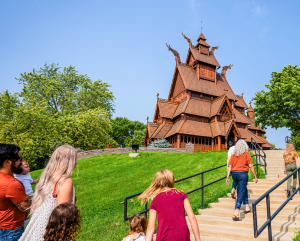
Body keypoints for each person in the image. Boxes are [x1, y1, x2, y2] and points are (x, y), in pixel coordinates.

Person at [19, 145, 78, 241]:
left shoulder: (47, 179)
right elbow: (63, 214)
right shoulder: (65, 181)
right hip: (53, 230)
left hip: (39, 226)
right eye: (75, 159)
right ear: (69, 162)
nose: (76, 163)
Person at [138, 170, 201, 241]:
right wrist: (198, 239)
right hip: (182, 235)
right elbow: (192, 217)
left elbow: (151, 228)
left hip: (164, 236)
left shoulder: (155, 201)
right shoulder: (181, 195)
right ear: (171, 180)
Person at [0, 144, 31, 241]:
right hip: (12, 231)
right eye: (19, 158)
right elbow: (26, 208)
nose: (21, 161)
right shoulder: (12, 184)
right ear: (8, 162)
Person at [226, 139, 258, 221]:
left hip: (234, 175)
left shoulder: (233, 155)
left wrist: (227, 177)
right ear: (245, 146)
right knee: (240, 193)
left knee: (243, 189)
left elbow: (229, 167)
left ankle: (247, 207)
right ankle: (236, 212)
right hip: (242, 175)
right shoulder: (246, 154)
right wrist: (255, 176)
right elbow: (251, 166)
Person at [13, 160, 39, 226]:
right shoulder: (15, 176)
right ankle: (23, 224)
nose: (29, 168)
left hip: (30, 195)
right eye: (26, 167)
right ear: (19, 169)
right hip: (23, 197)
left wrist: (39, 180)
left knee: (31, 211)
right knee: (25, 212)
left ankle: (31, 222)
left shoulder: (27, 175)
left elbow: (31, 181)